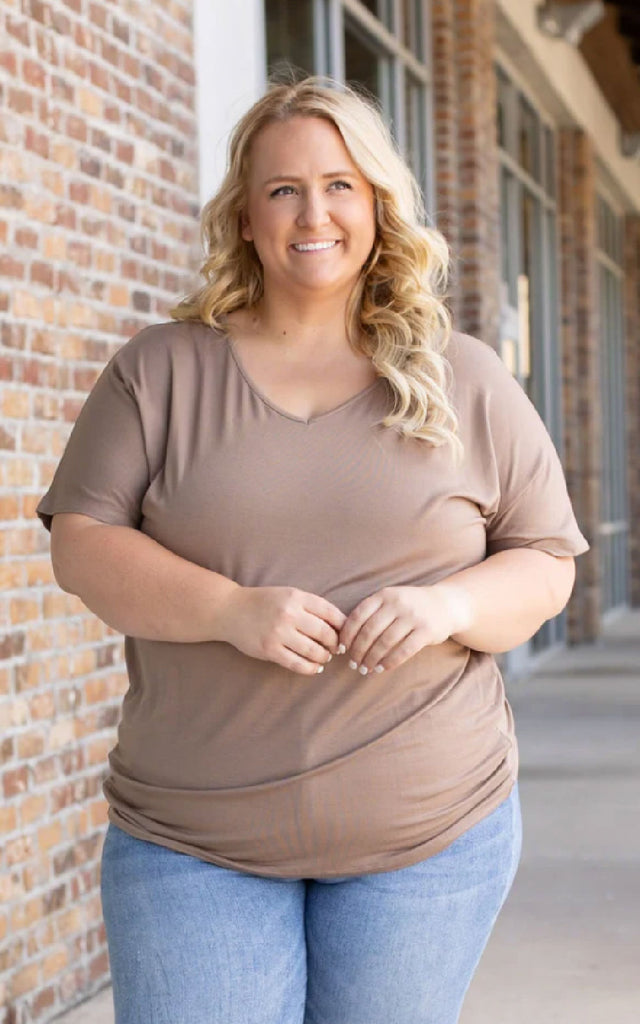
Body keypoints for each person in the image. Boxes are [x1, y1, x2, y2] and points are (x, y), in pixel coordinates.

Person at [37, 77, 589, 1024]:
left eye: (340, 184)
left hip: (429, 837)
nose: (313, 212)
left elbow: (547, 558)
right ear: (245, 217)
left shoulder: (462, 376)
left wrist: (445, 606)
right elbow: (84, 545)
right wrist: (230, 611)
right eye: (283, 188)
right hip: (193, 838)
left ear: (377, 205)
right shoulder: (161, 371)